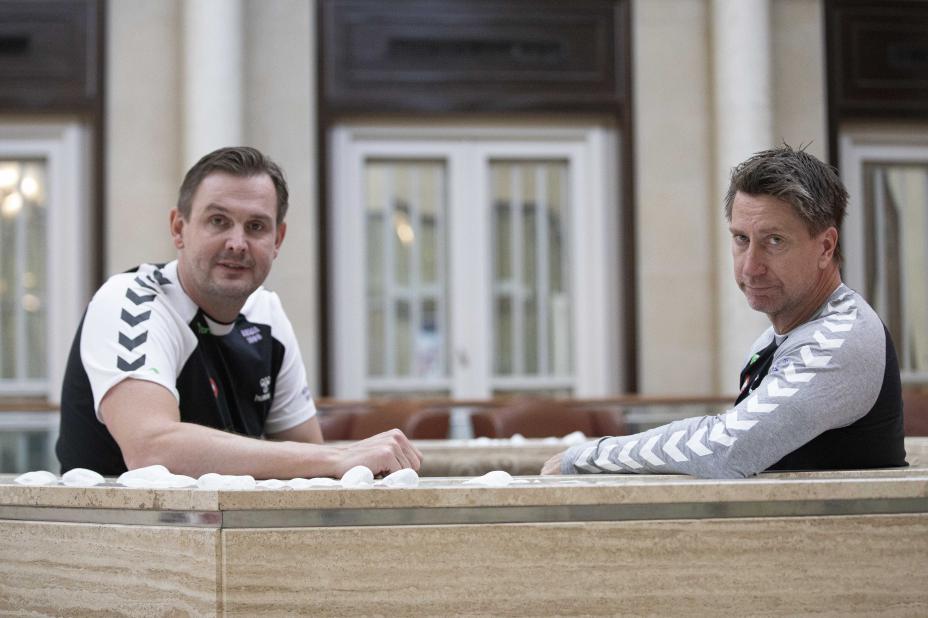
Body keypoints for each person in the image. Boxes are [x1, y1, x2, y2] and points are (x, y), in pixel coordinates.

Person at [542, 144, 907, 478]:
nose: (750, 267)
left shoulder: (839, 338)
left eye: (774, 241)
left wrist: (587, 458)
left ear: (825, 247)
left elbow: (723, 448)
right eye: (741, 239)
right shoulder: (776, 340)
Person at [57, 146, 421, 478]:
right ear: (179, 229)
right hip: (116, 528)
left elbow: (311, 461)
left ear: (277, 240)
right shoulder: (130, 300)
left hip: (224, 526)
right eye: (218, 221)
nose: (237, 243)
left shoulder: (267, 314)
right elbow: (151, 448)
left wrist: (337, 461)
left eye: (256, 226)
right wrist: (337, 457)